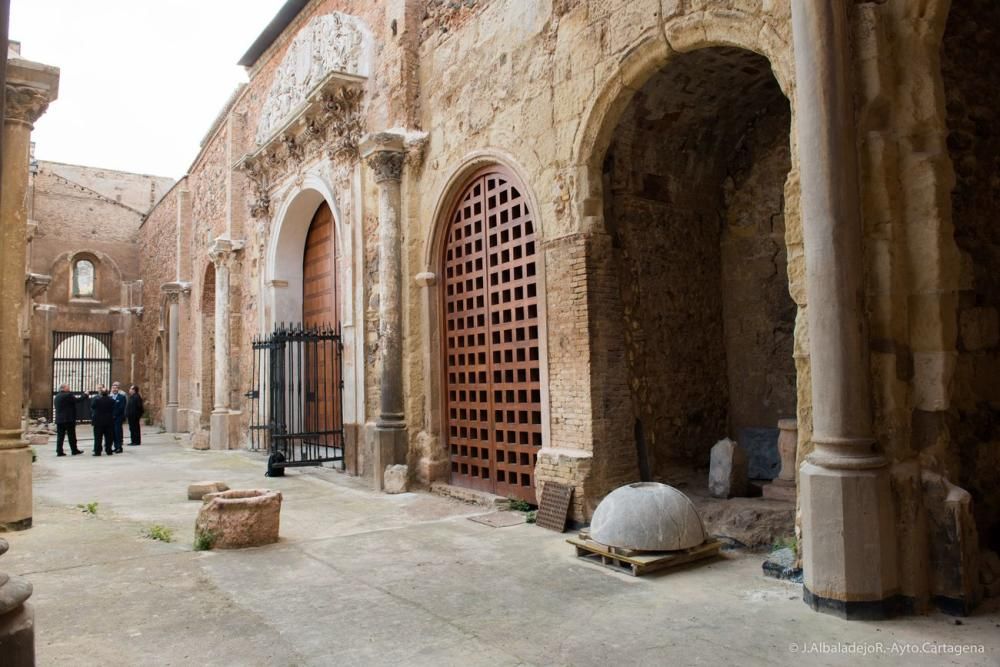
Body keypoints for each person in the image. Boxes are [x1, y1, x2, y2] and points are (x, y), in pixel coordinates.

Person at [53, 384, 85, 456]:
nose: (69, 388)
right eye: (68, 387)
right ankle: (74, 450)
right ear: (64, 388)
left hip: (59, 419)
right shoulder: (68, 395)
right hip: (68, 419)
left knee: (60, 436)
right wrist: (85, 395)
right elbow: (77, 400)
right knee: (71, 436)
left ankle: (59, 451)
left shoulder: (57, 396)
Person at [91, 388, 116, 456]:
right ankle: (109, 450)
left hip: (98, 421)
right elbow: (114, 408)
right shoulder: (111, 400)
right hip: (108, 420)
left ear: (101, 393)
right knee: (109, 437)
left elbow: (92, 407)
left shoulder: (97, 400)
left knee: (98, 437)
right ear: (108, 393)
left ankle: (97, 451)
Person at [110, 381, 127, 453]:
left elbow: (121, 408)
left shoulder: (122, 397)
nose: (114, 389)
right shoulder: (109, 397)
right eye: (113, 388)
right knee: (113, 433)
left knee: (118, 432)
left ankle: (119, 447)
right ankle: (115, 446)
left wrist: (115, 415)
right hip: (111, 418)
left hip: (118, 418)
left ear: (118, 389)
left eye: (116, 388)